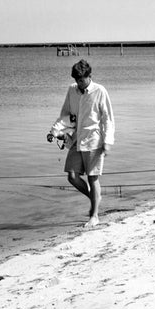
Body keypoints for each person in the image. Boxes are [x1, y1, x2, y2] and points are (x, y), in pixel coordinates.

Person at [47, 59, 115, 228]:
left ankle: (94, 215)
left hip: (94, 139)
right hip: (77, 138)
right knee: (72, 176)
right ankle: (95, 198)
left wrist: (107, 141)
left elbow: (108, 119)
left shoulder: (100, 91)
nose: (79, 84)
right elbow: (66, 114)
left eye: (82, 80)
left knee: (92, 178)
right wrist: (54, 131)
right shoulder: (72, 90)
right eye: (77, 80)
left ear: (89, 76)